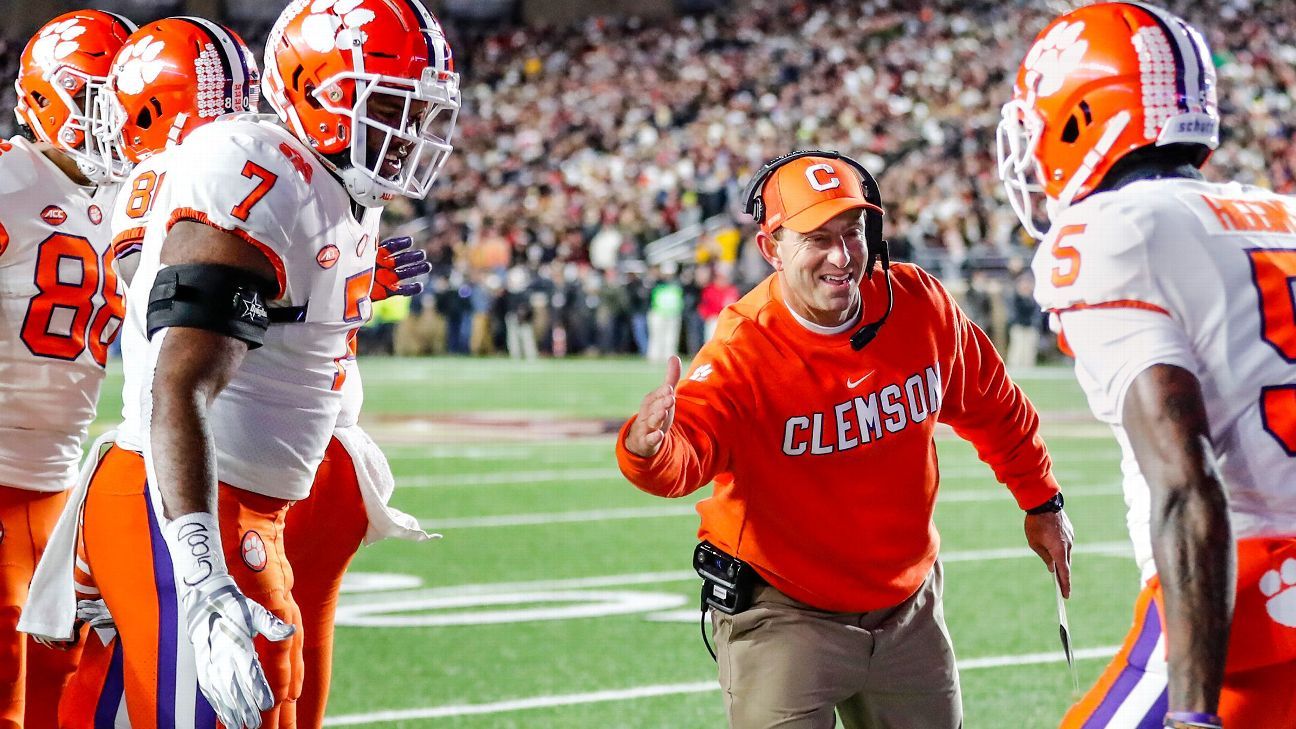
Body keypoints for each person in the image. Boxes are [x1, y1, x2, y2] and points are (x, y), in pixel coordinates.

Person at [21, 2, 460, 727]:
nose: (410, 132)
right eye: (388, 105)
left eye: (419, 112)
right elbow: (179, 378)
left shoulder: (340, 182)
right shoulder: (251, 165)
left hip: (250, 500)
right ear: (318, 93)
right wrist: (200, 572)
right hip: (191, 501)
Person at [616, 151, 1074, 729]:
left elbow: (995, 405)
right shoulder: (743, 351)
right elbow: (685, 459)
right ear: (771, 248)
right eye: (816, 237)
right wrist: (647, 448)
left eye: (852, 231)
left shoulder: (917, 304)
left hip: (907, 605)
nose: (841, 255)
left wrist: (1042, 501)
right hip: (783, 608)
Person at [998, 4, 1296, 727]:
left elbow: (1188, 484)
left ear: (1082, 117)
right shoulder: (1280, 211)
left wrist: (1191, 713)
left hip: (1236, 615)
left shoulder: (1110, 233)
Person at [0, 10, 135, 728]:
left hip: (60, 481)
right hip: (2, 466)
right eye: (94, 98)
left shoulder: (127, 200)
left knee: (61, 685)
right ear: (48, 97)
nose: (110, 118)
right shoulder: (7, 180)